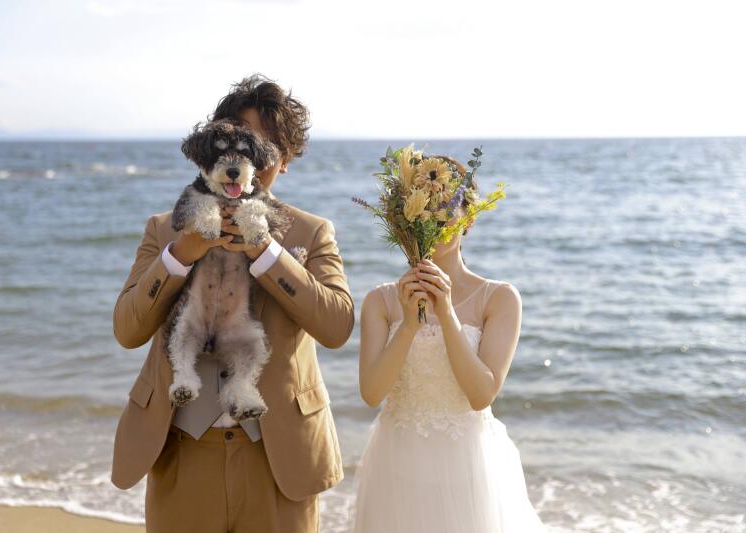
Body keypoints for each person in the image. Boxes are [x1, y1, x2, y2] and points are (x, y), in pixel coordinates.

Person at [110, 73, 354, 533]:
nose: (250, 159)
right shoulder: (164, 229)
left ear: (288, 159)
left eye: (267, 147)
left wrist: (267, 253)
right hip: (180, 450)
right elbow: (126, 330)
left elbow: (338, 326)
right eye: (240, 141)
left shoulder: (311, 232)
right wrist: (181, 254)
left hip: (278, 459)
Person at [350, 155, 548, 532]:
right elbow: (372, 393)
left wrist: (447, 314)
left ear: (468, 218)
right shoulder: (382, 301)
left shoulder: (499, 298)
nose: (436, 224)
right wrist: (408, 325)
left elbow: (481, 394)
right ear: (405, 221)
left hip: (468, 466)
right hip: (397, 465)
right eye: (425, 213)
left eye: (446, 213)